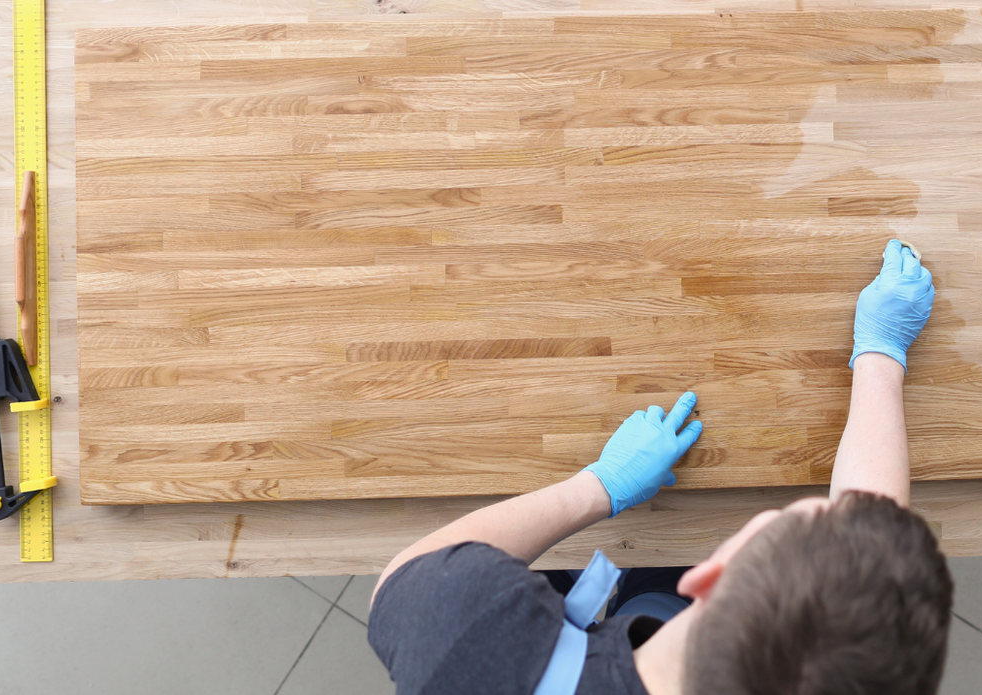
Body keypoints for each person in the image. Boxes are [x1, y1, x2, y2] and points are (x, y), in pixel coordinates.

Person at [368, 239, 952, 695]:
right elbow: (863, 564)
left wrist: (597, 488)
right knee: (649, 598)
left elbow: (408, 579)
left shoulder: (469, 651)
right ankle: (644, 599)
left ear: (708, 574)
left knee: (550, 569)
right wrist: (883, 353)